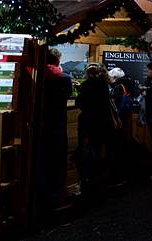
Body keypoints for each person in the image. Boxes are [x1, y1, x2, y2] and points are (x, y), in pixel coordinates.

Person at [39, 48, 73, 213]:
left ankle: (42, 196)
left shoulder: (38, 75)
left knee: (42, 161)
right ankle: (58, 196)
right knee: (58, 160)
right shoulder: (64, 78)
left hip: (40, 124)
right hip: (58, 123)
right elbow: (68, 95)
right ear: (57, 60)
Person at [75, 63, 114, 196]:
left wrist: (80, 90)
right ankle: (100, 179)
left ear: (88, 73)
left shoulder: (86, 85)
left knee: (86, 150)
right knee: (100, 149)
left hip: (88, 123)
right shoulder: (104, 85)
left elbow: (79, 103)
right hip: (103, 123)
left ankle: (87, 180)